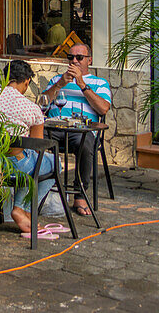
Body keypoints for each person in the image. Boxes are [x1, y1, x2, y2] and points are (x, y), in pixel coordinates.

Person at [0, 60, 58, 235]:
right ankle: (22, 209)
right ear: (26, 81)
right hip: (16, 166)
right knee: (51, 162)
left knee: (31, 162)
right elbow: (37, 147)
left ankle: (24, 211)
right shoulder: (32, 108)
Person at [41, 45, 111, 216]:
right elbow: (42, 104)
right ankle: (39, 189)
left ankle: (80, 194)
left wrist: (82, 85)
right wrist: (59, 84)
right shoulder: (57, 79)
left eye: (79, 58)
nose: (74, 61)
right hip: (54, 128)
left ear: (89, 60)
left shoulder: (99, 83)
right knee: (33, 137)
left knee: (86, 143)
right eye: (70, 57)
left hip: (80, 131)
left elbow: (103, 109)